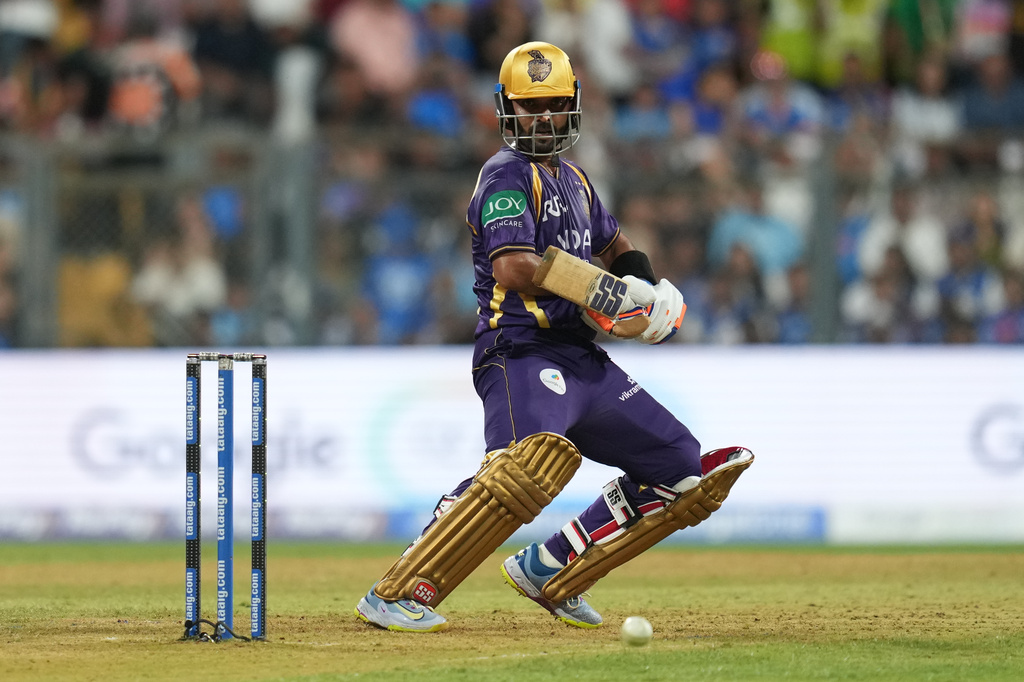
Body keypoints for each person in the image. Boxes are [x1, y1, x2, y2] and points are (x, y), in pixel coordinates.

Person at [353, 41, 752, 633]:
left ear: (573, 107)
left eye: (554, 105)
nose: (542, 118)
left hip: (582, 360)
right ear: (506, 109)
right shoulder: (505, 176)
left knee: (680, 470)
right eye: (529, 106)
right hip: (519, 352)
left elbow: (613, 243)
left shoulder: (575, 181)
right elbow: (514, 267)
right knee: (521, 469)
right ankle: (400, 590)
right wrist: (610, 297)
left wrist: (647, 285)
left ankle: (551, 567)